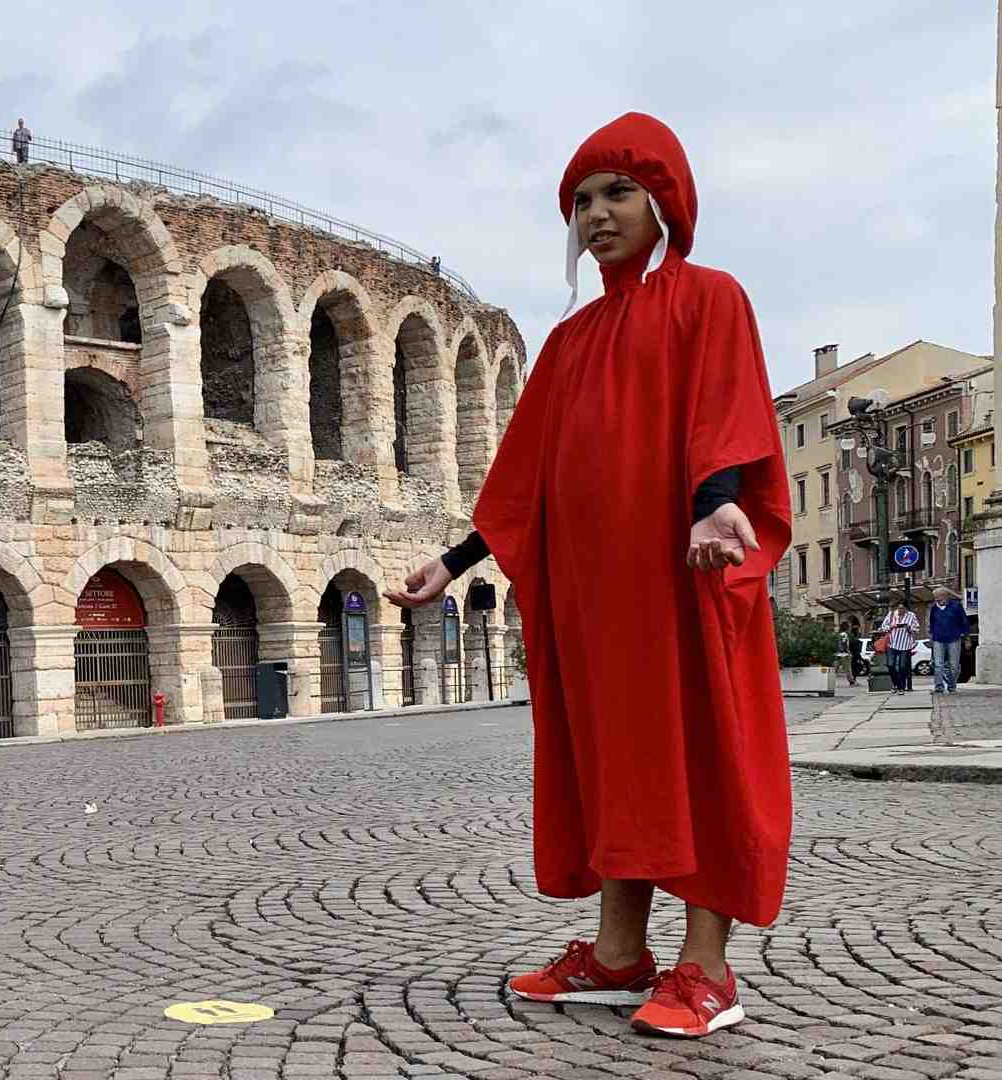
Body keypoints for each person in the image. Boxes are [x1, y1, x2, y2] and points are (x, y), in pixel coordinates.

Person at [389, 113, 791, 1039]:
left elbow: (723, 410)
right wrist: (450, 564)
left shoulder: (709, 299)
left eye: (617, 194)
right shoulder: (569, 343)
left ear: (664, 203)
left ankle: (708, 969)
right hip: (595, 601)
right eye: (581, 201)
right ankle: (618, 956)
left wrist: (715, 503)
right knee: (611, 760)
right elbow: (525, 478)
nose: (597, 215)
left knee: (698, 754)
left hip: (683, 582)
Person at [928, 586, 968, 693]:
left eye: (939, 598)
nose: (937, 600)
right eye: (935, 598)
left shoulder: (956, 606)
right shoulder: (934, 608)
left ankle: (951, 685)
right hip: (938, 639)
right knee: (938, 664)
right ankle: (939, 686)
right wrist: (931, 637)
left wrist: (967, 637)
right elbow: (932, 623)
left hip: (954, 638)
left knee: (954, 665)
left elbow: (964, 621)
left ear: (946, 596)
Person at [880, 600, 920, 694]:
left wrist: (908, 627)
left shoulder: (911, 616)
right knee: (890, 665)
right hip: (892, 643)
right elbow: (883, 627)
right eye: (899, 608)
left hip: (905, 644)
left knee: (902, 666)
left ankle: (901, 687)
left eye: (902, 608)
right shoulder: (891, 614)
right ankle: (895, 684)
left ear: (906, 608)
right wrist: (891, 627)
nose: (900, 610)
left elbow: (917, 628)